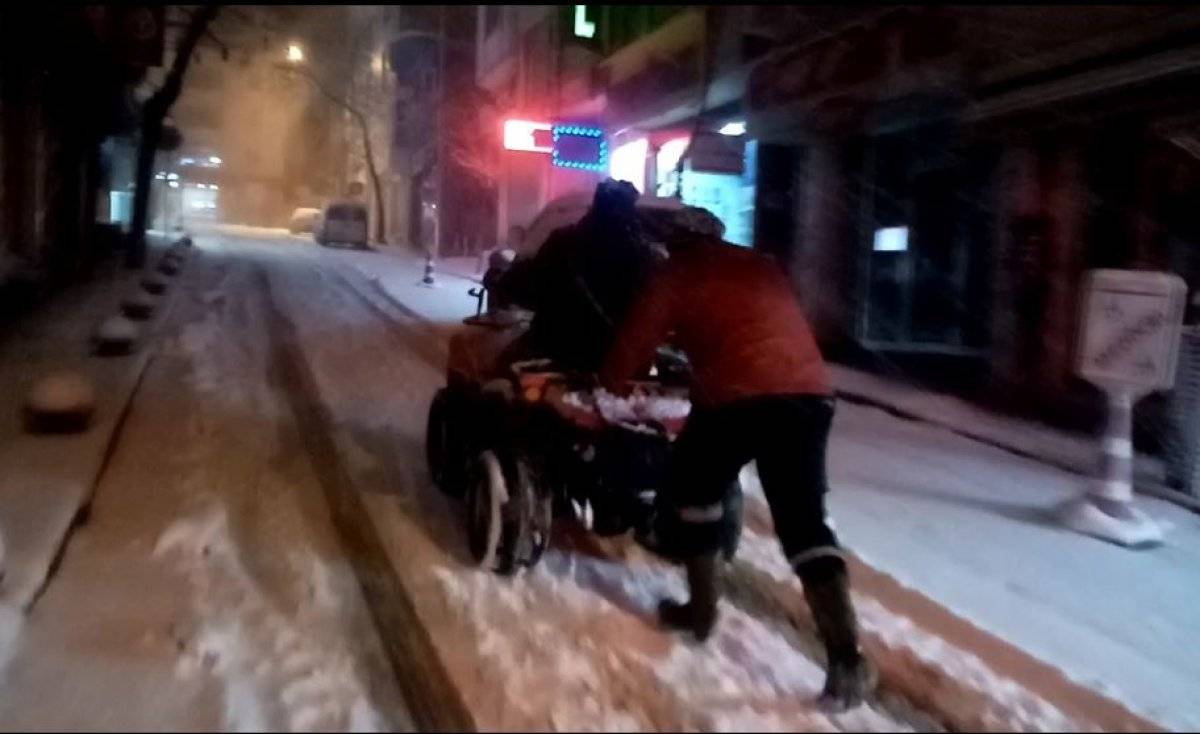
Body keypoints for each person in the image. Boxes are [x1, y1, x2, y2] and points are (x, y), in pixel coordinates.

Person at [599, 210, 875, 711]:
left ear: (676, 243)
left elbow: (636, 342)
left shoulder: (678, 273)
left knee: (691, 489)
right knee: (805, 524)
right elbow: (759, 327)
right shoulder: (761, 266)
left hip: (736, 400)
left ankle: (701, 612)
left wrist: (611, 382)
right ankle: (847, 660)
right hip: (809, 396)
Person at [495, 179, 662, 372]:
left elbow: (526, 286)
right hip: (619, 361)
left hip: (557, 351)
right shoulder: (644, 253)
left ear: (596, 206)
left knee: (500, 370)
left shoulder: (564, 243)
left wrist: (505, 283)